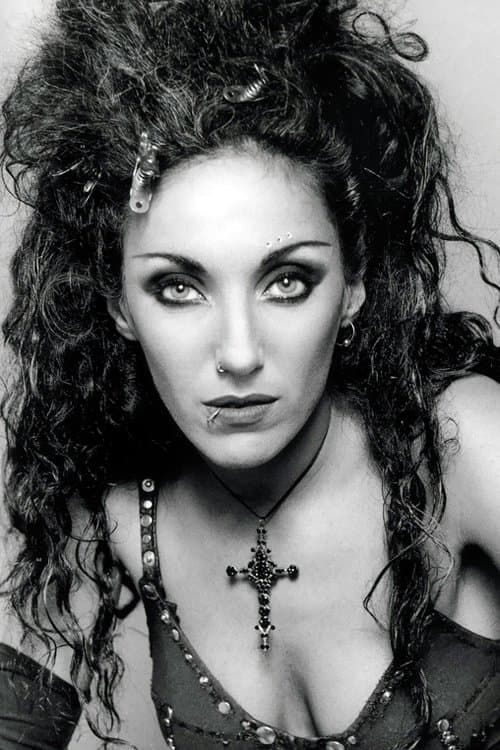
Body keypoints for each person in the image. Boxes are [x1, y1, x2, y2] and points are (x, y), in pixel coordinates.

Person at [0, 0, 499, 748]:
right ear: (119, 303)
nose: (238, 354)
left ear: (354, 282)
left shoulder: (463, 447)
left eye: (287, 281)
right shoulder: (112, 514)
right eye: (178, 287)